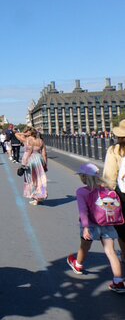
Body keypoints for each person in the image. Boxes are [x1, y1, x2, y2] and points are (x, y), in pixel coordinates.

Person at [67, 163, 125, 293]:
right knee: (111, 251)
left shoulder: (82, 191)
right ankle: (119, 281)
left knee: (84, 246)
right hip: (107, 223)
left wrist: (86, 227)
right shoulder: (106, 189)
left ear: (83, 177)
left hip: (91, 224)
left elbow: (83, 211)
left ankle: (78, 264)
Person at [102, 120, 125, 256]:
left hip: (122, 194)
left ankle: (124, 254)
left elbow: (109, 177)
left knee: (122, 228)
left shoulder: (115, 150)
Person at [16, 127, 48, 205]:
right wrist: (45, 164)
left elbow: (16, 134)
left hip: (30, 160)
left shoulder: (27, 140)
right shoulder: (40, 141)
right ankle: (41, 196)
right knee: (39, 179)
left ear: (29, 133)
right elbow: (44, 154)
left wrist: (25, 134)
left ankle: (35, 198)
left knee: (31, 179)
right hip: (39, 159)